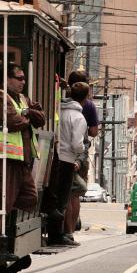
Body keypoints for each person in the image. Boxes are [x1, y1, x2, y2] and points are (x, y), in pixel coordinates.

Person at [0, 63, 45, 223]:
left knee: (30, 197)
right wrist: (28, 116)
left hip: (20, 160)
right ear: (7, 79)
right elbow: (14, 122)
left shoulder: (22, 98)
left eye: (24, 78)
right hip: (1, 157)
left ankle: (2, 221)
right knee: (2, 203)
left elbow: (41, 118)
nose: (23, 82)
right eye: (19, 78)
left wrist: (27, 112)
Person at [51, 82, 89, 246]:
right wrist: (80, 150)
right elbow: (76, 144)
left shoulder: (60, 111)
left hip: (54, 157)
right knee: (62, 200)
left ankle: (55, 232)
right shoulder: (79, 118)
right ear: (86, 98)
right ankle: (59, 235)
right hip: (67, 160)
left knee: (54, 197)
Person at [64, 70, 99, 242]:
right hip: (78, 154)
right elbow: (93, 132)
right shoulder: (88, 107)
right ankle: (70, 231)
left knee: (63, 192)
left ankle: (63, 229)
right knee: (74, 194)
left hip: (60, 151)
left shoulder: (61, 102)